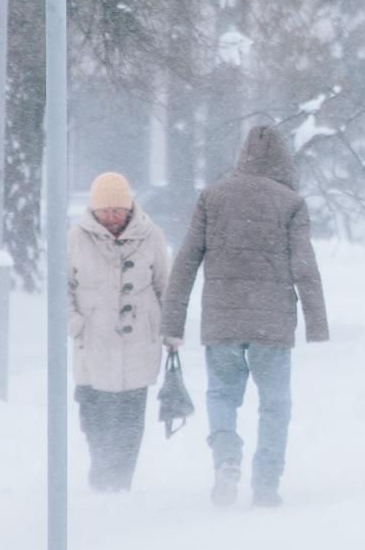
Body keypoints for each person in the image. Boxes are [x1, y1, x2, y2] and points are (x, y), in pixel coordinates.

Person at [163, 125, 329, 508]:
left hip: (221, 321)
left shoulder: (213, 197)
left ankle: (226, 457)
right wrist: (316, 323)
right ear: (283, 161)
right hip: (271, 325)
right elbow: (305, 265)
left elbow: (186, 261)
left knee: (222, 394)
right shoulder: (290, 203)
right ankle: (266, 483)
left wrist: (173, 323)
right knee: (275, 404)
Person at [67, 173, 170, 492]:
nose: (111, 218)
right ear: (93, 210)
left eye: (117, 211)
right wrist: (75, 324)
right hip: (93, 341)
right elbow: (61, 288)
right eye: (104, 211)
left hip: (139, 340)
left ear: (129, 208)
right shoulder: (75, 238)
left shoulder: (151, 235)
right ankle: (101, 475)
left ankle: (121, 480)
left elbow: (165, 285)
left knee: (130, 418)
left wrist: (168, 329)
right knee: (94, 416)